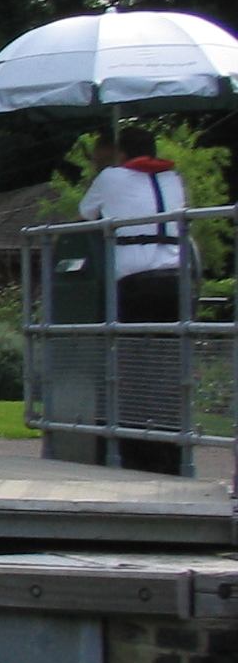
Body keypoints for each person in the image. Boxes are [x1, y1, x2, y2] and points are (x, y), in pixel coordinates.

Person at [79, 127, 188, 473]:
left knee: (131, 370)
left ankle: (138, 452)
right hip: (177, 281)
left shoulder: (111, 177)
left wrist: (104, 171)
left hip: (136, 283)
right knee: (170, 370)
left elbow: (86, 212)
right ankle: (173, 450)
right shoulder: (174, 179)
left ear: (120, 154)